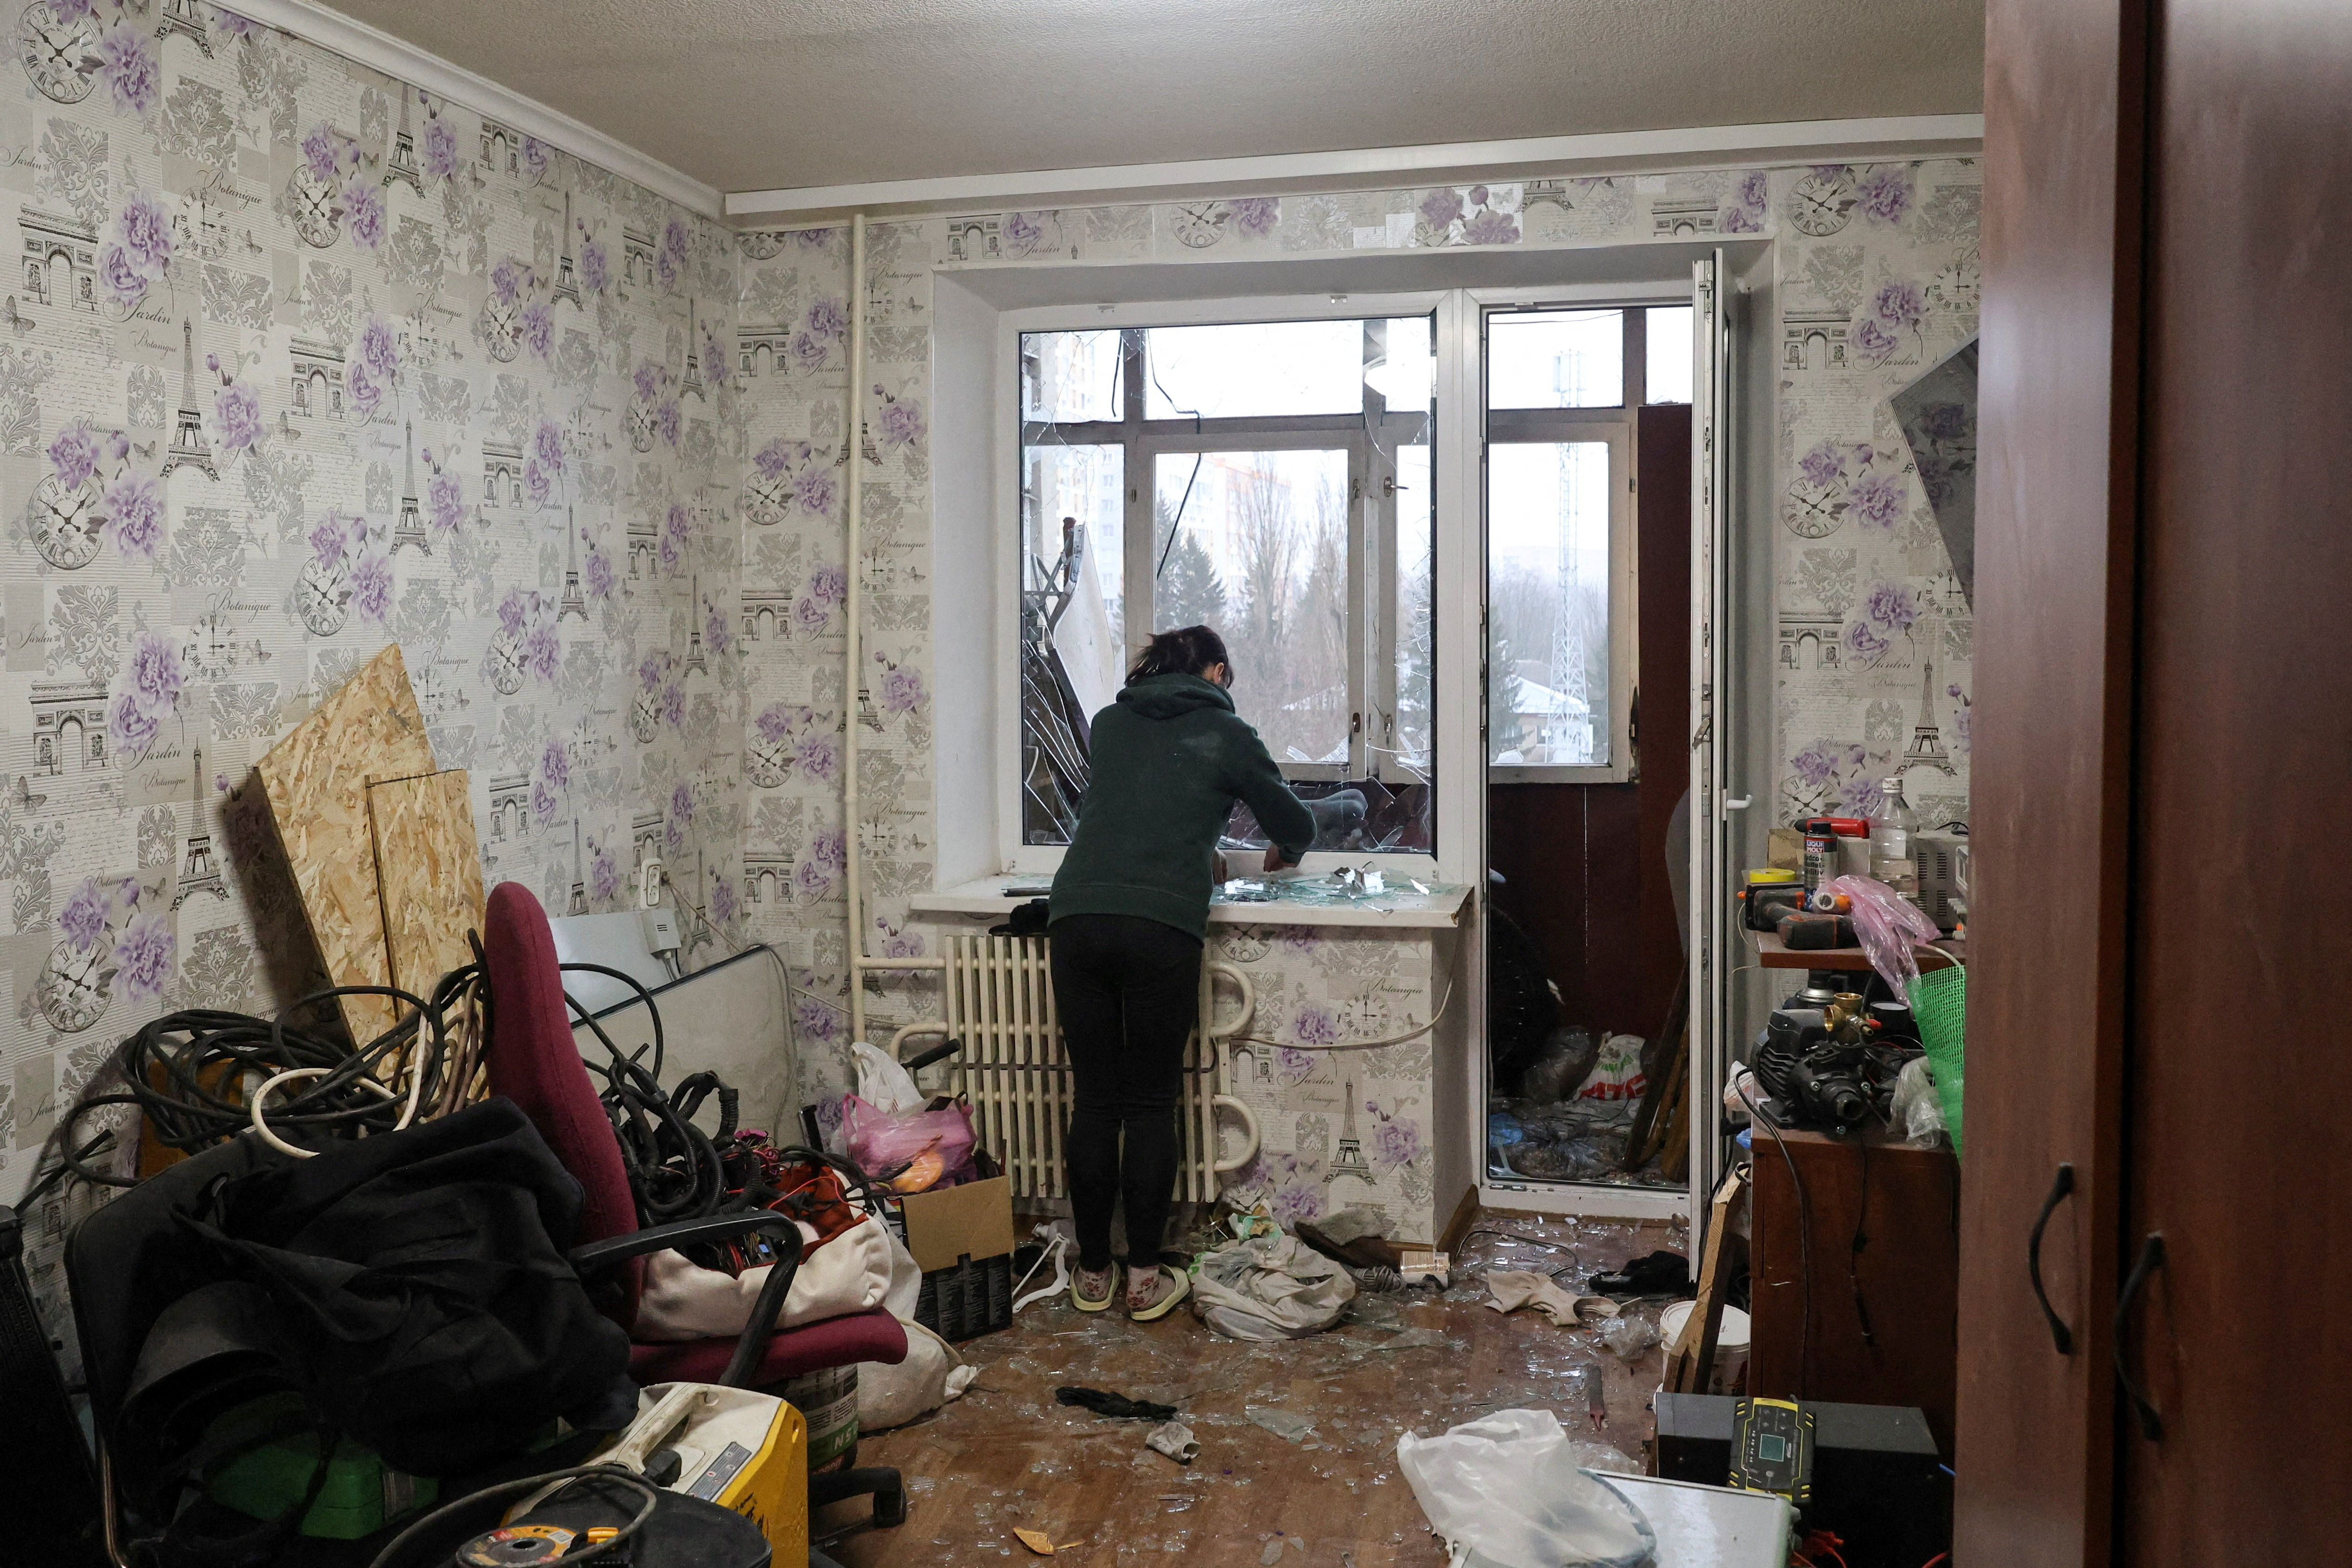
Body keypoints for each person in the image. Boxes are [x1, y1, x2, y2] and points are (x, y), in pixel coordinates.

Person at [1048, 625, 1315, 1319]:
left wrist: (1203, 849)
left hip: (1075, 915)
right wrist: (1282, 850)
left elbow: (1131, 810)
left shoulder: (1109, 723)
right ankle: (1144, 1279)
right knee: (1148, 1104)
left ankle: (1093, 1273)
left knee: (1096, 1101)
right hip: (1159, 925)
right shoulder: (1227, 732)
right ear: (1218, 672)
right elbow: (1297, 823)